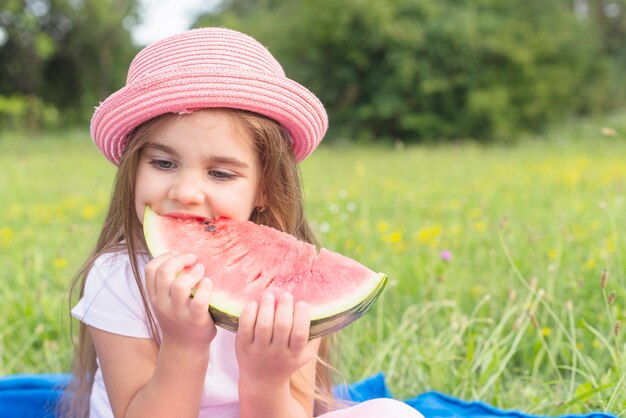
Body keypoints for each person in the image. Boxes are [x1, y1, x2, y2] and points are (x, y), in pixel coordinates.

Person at [65, 27, 423, 418]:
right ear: (133, 169)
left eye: (220, 174)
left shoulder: (286, 288)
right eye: (163, 163)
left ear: (264, 187)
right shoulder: (118, 277)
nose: (186, 191)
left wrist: (265, 380)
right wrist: (184, 344)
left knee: (393, 412)